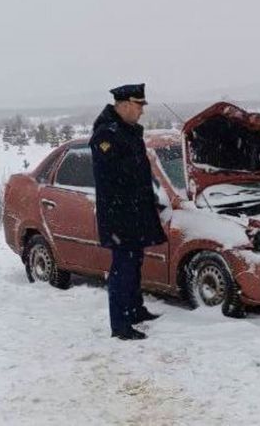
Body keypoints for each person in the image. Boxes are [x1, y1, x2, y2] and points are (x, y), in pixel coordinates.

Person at [90, 83, 167, 340]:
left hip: (134, 211)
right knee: (122, 268)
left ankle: (135, 310)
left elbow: (139, 171)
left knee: (134, 263)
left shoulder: (128, 131)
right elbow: (114, 176)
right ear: (123, 105)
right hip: (119, 214)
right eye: (138, 106)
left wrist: (151, 195)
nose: (141, 112)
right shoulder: (106, 135)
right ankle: (120, 325)